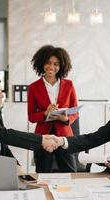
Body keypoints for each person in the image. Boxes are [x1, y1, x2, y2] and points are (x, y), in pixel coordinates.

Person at [28, 45, 78, 173]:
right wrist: (45, 113)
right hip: (43, 136)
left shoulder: (69, 85)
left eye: (56, 64)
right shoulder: (33, 87)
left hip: (64, 135)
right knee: (43, 173)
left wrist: (66, 118)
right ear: (41, 64)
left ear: (62, 66)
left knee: (70, 172)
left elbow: (75, 111)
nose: (52, 67)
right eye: (48, 63)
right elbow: (32, 116)